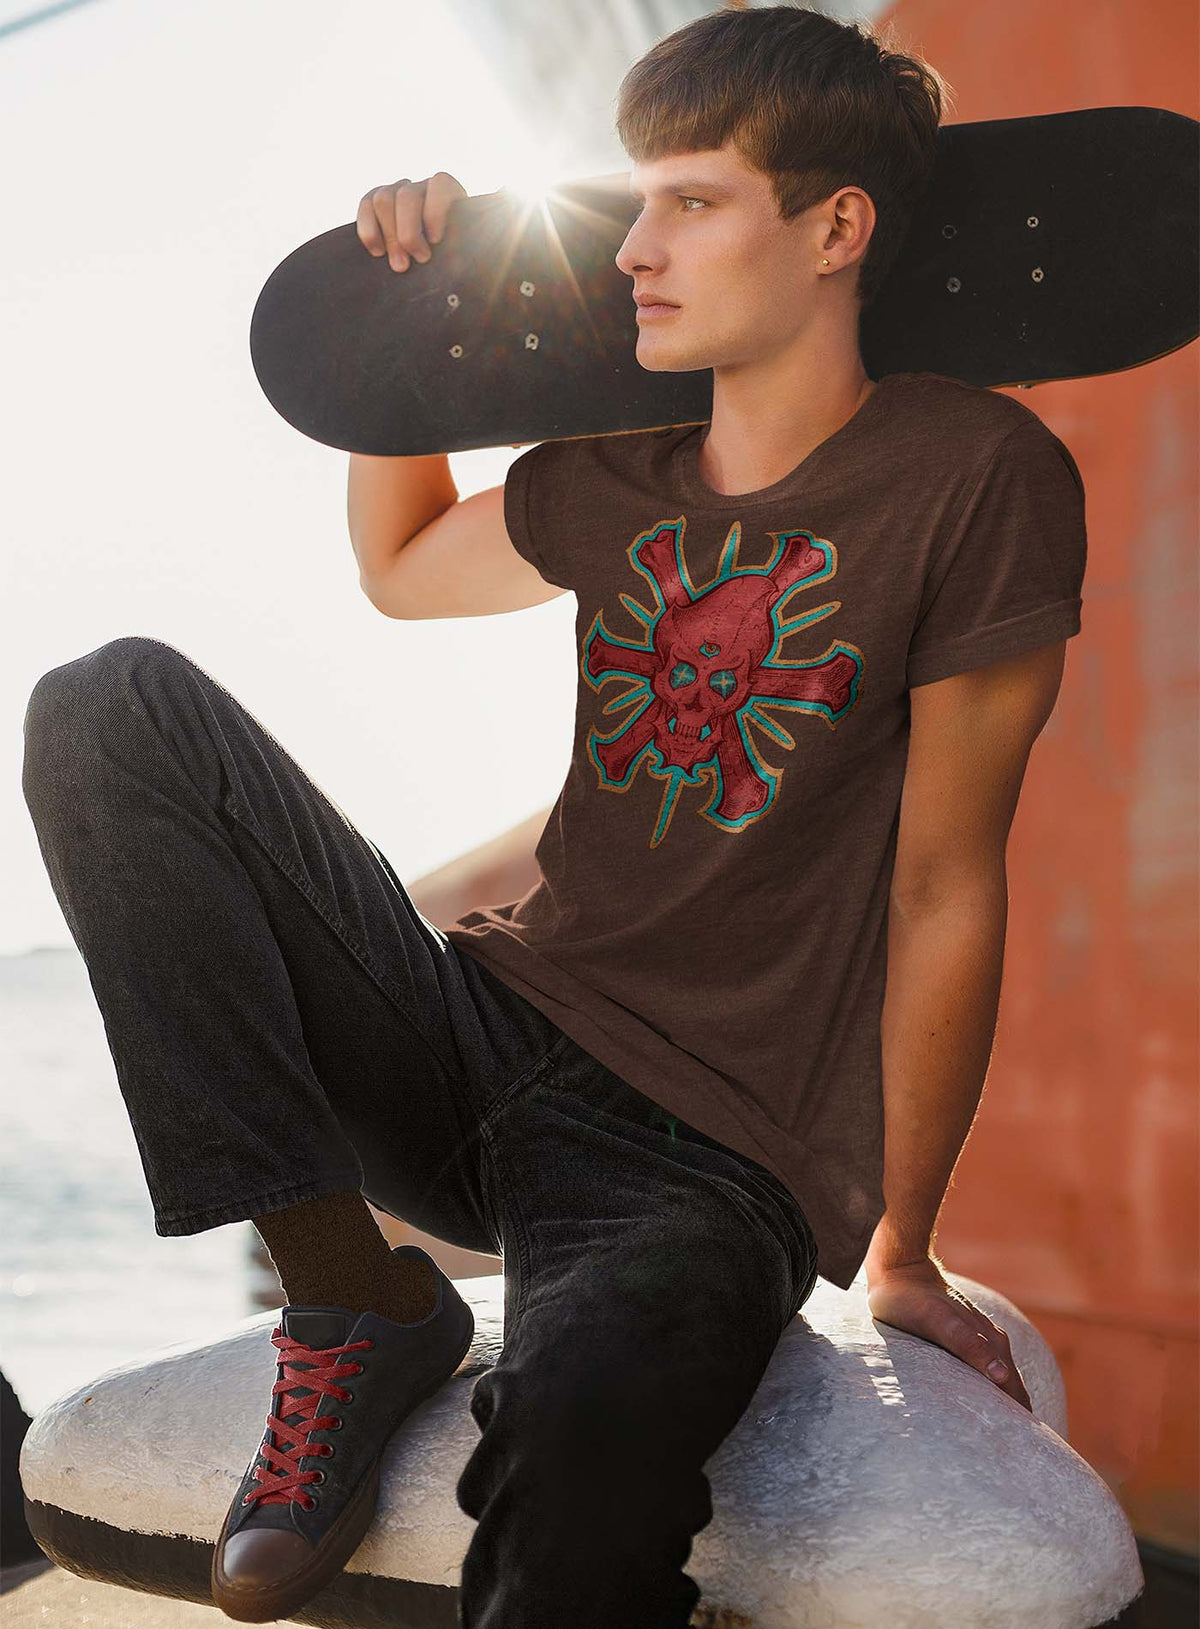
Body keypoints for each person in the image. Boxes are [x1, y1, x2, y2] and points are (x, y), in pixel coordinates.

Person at [21, 6, 1086, 1625]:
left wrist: (907, 1248)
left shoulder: (974, 477)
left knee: (579, 1474)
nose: (636, 245)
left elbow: (948, 881)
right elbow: (399, 571)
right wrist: (411, 327)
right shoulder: (619, 467)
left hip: (712, 1159)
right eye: (635, 197)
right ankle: (345, 1296)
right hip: (483, 1041)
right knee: (109, 707)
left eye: (692, 201)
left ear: (834, 229)